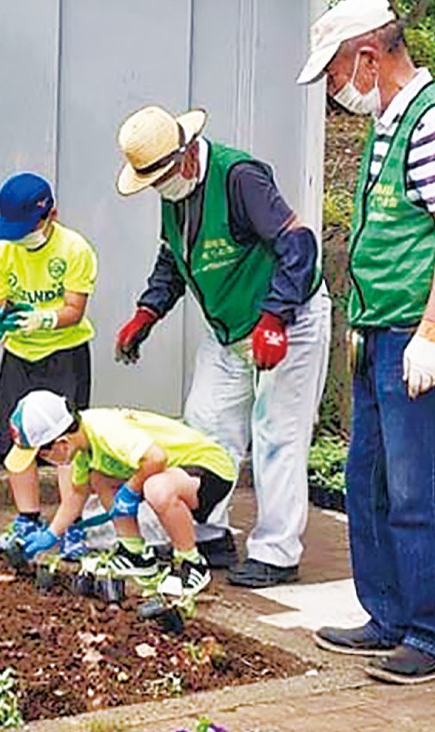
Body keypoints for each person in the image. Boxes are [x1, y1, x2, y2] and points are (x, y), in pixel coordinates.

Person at [296, 0, 435, 684]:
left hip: (422, 335)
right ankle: (390, 614)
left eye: (332, 75)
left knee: (421, 487)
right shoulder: (389, 122)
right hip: (383, 330)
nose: (333, 91)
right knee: (370, 479)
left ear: (368, 58)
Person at [112, 105, 331, 588]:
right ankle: (207, 531)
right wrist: (147, 313)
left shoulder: (239, 177)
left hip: (286, 318)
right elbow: (172, 260)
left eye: (163, 176)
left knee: (277, 435)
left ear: (188, 155)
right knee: (206, 428)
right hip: (228, 329)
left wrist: (276, 317)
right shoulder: (176, 193)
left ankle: (277, 551)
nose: (159, 187)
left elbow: (298, 244)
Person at [5, 390, 238, 595]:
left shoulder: (106, 431)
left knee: (156, 488)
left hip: (208, 471)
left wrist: (130, 490)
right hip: (174, 473)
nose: (43, 462)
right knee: (100, 477)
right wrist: (51, 534)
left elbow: (157, 458)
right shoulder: (84, 445)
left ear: (61, 443)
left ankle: (192, 563)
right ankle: (134, 553)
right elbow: (76, 496)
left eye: (41, 456)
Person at [0, 172, 98, 560]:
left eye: (25, 229)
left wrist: (43, 319)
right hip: (20, 356)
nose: (18, 238)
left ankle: (71, 527)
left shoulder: (75, 249)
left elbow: (74, 309)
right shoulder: (3, 252)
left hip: (65, 354)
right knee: (18, 439)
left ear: (51, 215)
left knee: (67, 444)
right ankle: (27, 519)